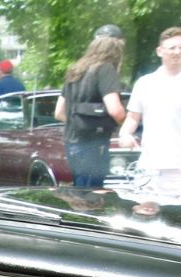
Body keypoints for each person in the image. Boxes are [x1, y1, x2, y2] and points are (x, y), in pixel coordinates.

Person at [119, 26, 181, 198]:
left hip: (180, 165)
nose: (177, 52)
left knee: (175, 218)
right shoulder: (145, 83)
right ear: (160, 51)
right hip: (148, 164)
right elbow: (133, 117)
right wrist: (125, 133)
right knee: (144, 217)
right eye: (172, 48)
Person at [53, 24, 127, 187]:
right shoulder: (106, 69)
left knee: (80, 192)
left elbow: (59, 112)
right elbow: (115, 110)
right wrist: (126, 125)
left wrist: (79, 122)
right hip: (95, 144)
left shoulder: (76, 70)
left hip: (72, 142)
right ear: (117, 46)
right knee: (92, 196)